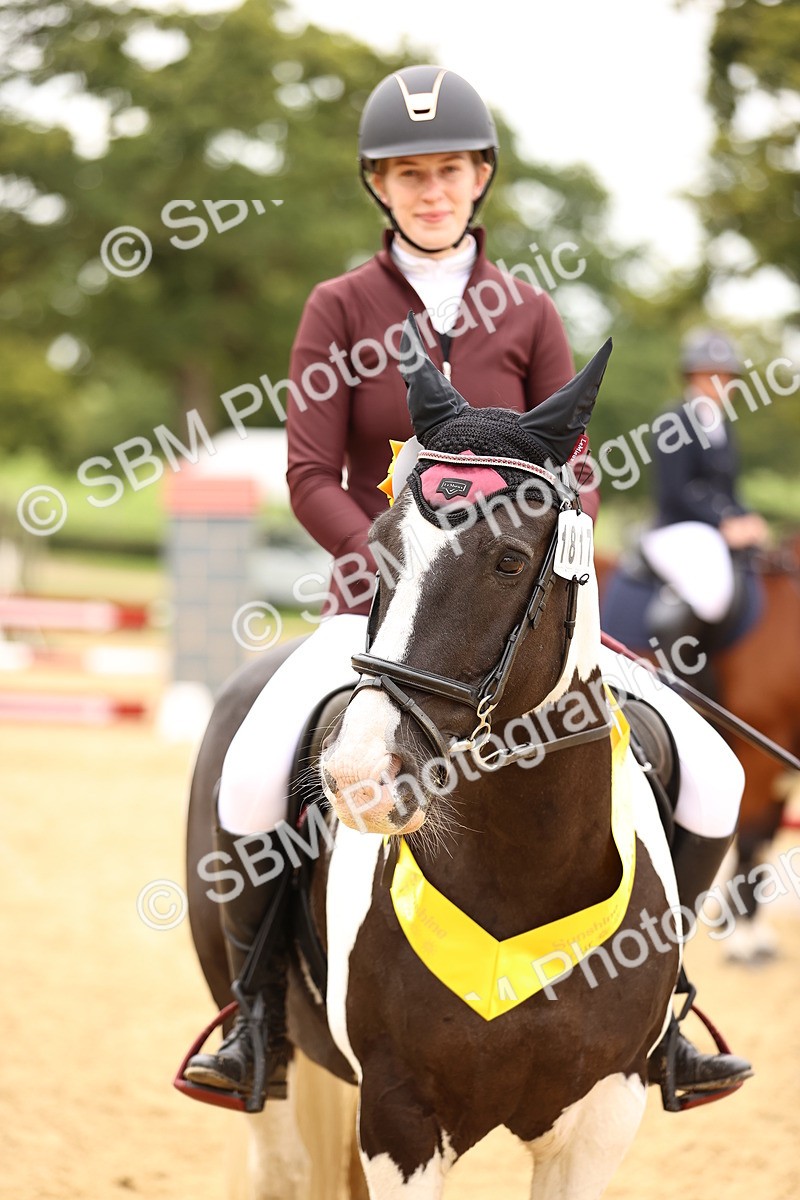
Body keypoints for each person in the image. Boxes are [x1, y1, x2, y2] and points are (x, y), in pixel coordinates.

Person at [183, 65, 751, 1110]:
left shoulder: (526, 311)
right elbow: (309, 473)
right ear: (378, 185)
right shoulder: (338, 308)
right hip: (377, 610)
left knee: (710, 771)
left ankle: (661, 1010)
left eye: (447, 170)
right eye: (408, 175)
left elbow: (574, 471)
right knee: (252, 776)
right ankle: (257, 1019)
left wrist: (551, 565)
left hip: (515, 617)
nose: (430, 190)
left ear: (479, 176)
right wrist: (395, 569)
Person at [640, 328, 769, 693]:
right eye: (711, 375)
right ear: (692, 377)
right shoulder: (674, 421)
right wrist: (724, 523)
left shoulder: (721, 426)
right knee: (712, 595)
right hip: (677, 528)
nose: (720, 384)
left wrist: (746, 518)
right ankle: (681, 677)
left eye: (726, 376)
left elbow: (728, 489)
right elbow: (676, 491)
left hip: (709, 528)